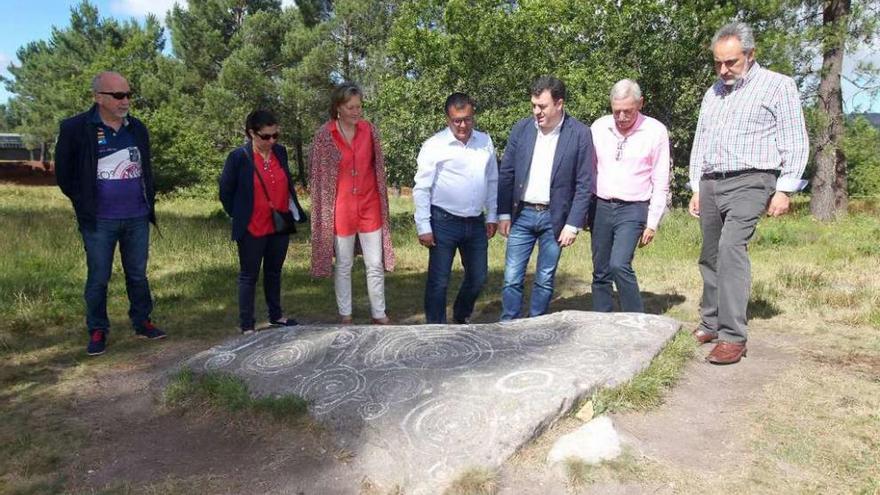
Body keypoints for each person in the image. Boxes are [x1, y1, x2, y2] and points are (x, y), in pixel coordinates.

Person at [689, 22, 808, 364]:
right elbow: (702, 141)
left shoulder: (778, 86)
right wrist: (696, 185)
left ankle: (732, 336)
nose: (723, 70)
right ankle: (710, 322)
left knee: (731, 248)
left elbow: (795, 139)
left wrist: (785, 188)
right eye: (718, 63)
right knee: (710, 253)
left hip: (754, 179)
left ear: (750, 54)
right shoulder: (712, 93)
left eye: (731, 62)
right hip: (712, 180)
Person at [55, 71, 166, 356]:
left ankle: (142, 321)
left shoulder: (137, 128)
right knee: (98, 277)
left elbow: (146, 170)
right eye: (118, 95)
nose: (125, 100)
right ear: (98, 97)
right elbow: (65, 175)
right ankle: (97, 329)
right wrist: (84, 205)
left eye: (128, 94)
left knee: (138, 275)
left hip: (136, 216)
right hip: (99, 221)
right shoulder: (75, 128)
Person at [497, 76, 594, 320]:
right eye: (533, 105)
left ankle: (537, 324)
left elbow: (584, 184)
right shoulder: (521, 128)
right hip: (522, 215)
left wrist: (573, 224)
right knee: (511, 277)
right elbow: (506, 173)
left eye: (542, 106)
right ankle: (509, 324)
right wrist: (503, 213)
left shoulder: (580, 134)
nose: (536, 111)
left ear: (559, 104)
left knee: (545, 278)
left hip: (556, 218)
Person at [308, 83, 395, 324]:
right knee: (344, 264)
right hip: (341, 210)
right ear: (338, 108)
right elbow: (318, 175)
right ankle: (345, 314)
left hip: (370, 207)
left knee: (375, 264)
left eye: (359, 107)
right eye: (351, 107)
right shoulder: (325, 135)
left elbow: (377, 168)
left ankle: (379, 313)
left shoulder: (369, 130)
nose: (357, 111)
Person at [219, 110, 307, 334]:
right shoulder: (238, 157)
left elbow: (286, 183)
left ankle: (276, 315)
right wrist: (241, 215)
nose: (272, 141)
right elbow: (226, 193)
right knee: (249, 275)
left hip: (279, 223)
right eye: (266, 136)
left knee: (274, 272)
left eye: (275, 135)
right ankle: (247, 324)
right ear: (251, 133)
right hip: (252, 227)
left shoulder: (280, 152)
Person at [413, 93, 498, 324]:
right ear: (447, 119)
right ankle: (436, 327)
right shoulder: (434, 145)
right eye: (457, 120)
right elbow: (422, 188)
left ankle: (461, 315)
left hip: (475, 221)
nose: (463, 125)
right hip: (443, 221)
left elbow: (492, 180)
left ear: (473, 116)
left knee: (479, 277)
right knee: (439, 280)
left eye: (468, 119)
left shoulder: (485, 142)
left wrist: (492, 215)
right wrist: (423, 226)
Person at [589, 79, 671, 313]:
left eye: (628, 111)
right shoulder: (599, 127)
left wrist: (652, 222)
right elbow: (588, 170)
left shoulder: (655, 131)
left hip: (634, 208)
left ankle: (635, 319)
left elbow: (660, 181)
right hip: (601, 206)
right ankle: (602, 319)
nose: (622, 117)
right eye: (617, 111)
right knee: (601, 269)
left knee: (619, 264)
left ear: (640, 104)